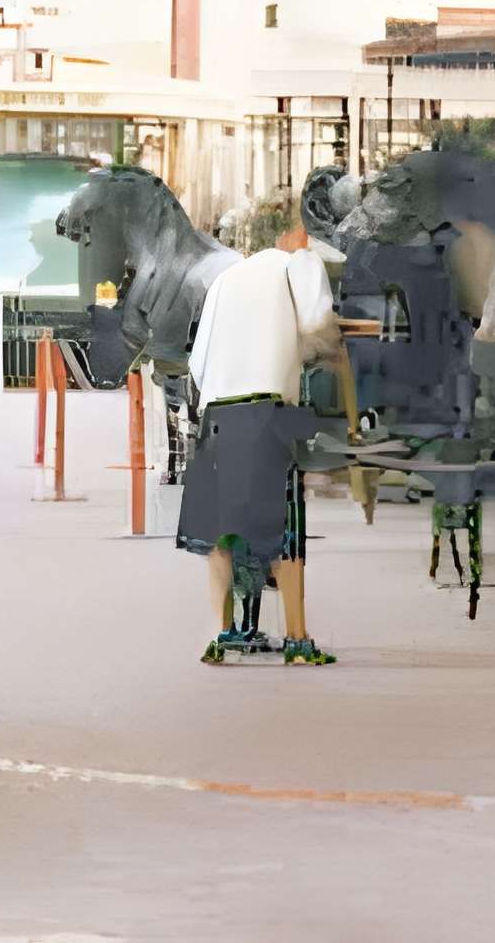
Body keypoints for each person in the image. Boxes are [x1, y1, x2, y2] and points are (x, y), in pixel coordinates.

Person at [180, 218, 340, 665]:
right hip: (268, 411)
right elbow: (319, 321)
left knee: (221, 528)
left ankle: (223, 633)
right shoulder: (301, 261)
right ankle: (297, 639)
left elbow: (197, 361)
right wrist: (329, 348)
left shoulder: (226, 279)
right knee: (284, 528)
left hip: (217, 414)